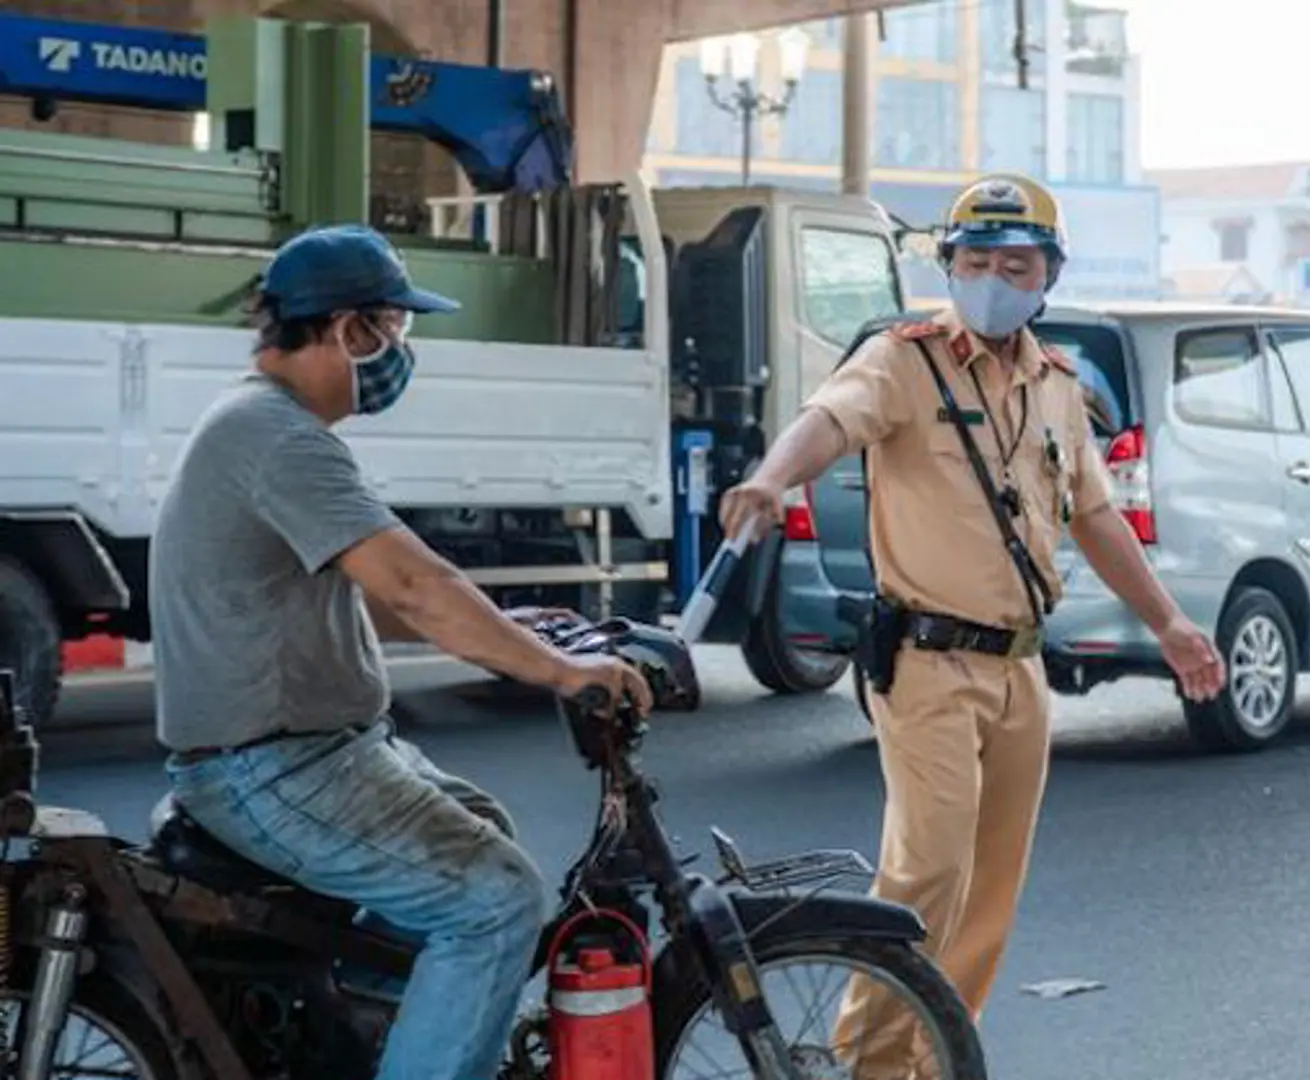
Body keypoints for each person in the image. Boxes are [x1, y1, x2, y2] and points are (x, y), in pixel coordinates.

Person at [718, 175, 1227, 1076]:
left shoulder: (1058, 382)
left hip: (1020, 670)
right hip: (927, 662)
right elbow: (828, 420)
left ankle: (934, 1054)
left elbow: (1096, 518)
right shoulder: (902, 361)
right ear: (949, 266)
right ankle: (872, 1064)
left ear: (1047, 277)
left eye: (1015, 263)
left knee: (991, 889)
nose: (993, 276)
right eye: (976, 260)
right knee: (926, 871)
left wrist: (1174, 625)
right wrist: (769, 478)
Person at [148, 223, 652, 1080]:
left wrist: (517, 628)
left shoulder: (264, 426)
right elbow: (414, 585)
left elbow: (373, 596)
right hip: (275, 771)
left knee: (486, 833)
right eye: (393, 328)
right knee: (496, 905)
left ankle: (382, 1042)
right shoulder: (277, 438)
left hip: (313, 752)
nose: (398, 352)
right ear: (348, 329)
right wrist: (564, 672)